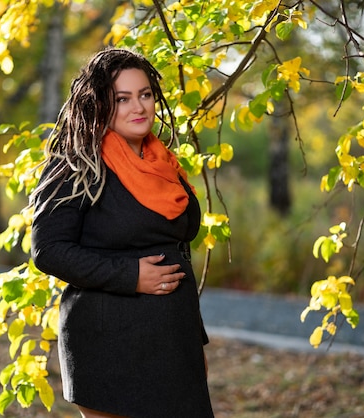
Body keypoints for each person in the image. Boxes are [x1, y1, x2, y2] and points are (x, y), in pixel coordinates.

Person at [30, 48, 214, 418]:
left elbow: (178, 246)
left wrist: (194, 339)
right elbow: (48, 249)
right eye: (122, 99)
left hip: (173, 339)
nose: (139, 107)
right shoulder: (76, 165)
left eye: (145, 94)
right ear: (99, 104)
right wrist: (130, 276)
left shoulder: (164, 163)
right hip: (108, 344)